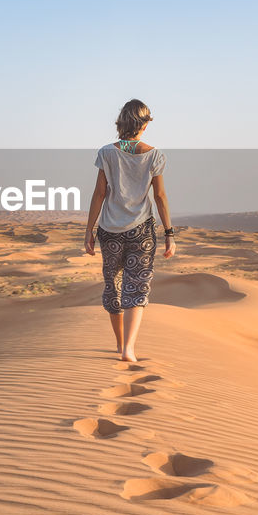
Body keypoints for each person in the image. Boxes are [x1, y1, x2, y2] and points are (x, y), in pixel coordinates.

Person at [84, 99, 175, 362]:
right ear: (144, 124)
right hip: (141, 231)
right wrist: (169, 233)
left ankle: (119, 343)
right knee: (137, 286)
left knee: (113, 286)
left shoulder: (106, 153)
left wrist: (88, 231)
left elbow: (99, 194)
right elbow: (160, 196)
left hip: (109, 229)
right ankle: (129, 349)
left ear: (121, 123)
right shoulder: (154, 155)